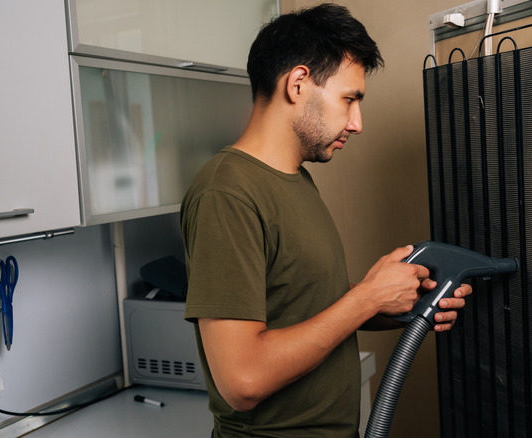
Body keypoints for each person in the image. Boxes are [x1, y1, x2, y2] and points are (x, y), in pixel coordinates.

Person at [181, 4, 472, 437]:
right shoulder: (226, 193)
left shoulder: (295, 179)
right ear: (298, 84)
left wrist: (406, 301)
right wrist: (367, 298)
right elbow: (242, 380)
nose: (357, 123)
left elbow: (305, 306)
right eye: (349, 99)